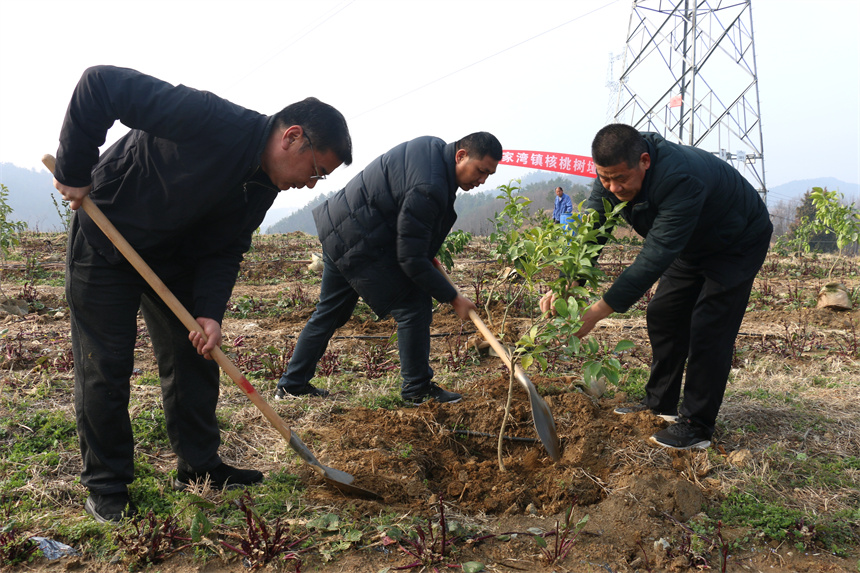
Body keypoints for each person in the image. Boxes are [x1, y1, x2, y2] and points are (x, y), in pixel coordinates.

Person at [51, 65, 352, 523]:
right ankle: (107, 485)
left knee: (194, 357)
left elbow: (225, 247)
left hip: (174, 260)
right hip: (108, 237)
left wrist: (210, 312)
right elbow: (100, 84)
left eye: (321, 179)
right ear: (292, 136)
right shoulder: (210, 119)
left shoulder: (263, 184)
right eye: (315, 171)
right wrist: (74, 167)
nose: (311, 184)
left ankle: (199, 465)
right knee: (105, 366)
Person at [541, 123, 771, 450]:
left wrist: (594, 313)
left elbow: (654, 257)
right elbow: (593, 230)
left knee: (709, 325)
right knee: (664, 313)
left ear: (645, 161)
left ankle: (697, 425)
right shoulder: (610, 176)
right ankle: (660, 403)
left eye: (621, 178)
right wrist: (566, 283)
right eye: (604, 178)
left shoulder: (679, 178)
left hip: (735, 242)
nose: (613, 187)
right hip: (691, 243)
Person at [275, 132, 502, 404]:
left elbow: (403, 210)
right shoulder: (430, 185)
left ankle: (292, 385)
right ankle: (417, 389)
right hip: (363, 242)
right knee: (414, 304)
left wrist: (425, 250)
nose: (482, 180)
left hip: (342, 230)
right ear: (461, 155)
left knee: (330, 312)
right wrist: (453, 298)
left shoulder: (432, 148)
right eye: (480, 171)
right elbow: (410, 258)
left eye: (488, 175)